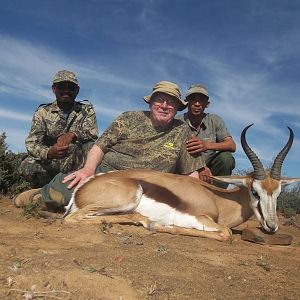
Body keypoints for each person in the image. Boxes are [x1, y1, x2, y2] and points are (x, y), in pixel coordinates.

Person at [14, 81, 206, 210]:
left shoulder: (183, 131)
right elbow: (99, 146)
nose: (165, 105)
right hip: (109, 176)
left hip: (148, 190)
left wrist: (195, 198)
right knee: (61, 197)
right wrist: (88, 170)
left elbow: (191, 175)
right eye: (160, 100)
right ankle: (38, 194)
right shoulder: (128, 118)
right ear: (151, 102)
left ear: (178, 107)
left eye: (171, 102)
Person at [19, 70, 99, 188]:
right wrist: (48, 153)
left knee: (92, 147)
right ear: (53, 89)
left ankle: (85, 188)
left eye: (71, 87)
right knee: (27, 165)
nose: (66, 91)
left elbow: (93, 134)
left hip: (77, 162)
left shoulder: (86, 110)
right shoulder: (42, 112)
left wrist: (73, 134)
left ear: (77, 90)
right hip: (51, 162)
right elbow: (32, 142)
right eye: (61, 86)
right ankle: (43, 190)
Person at [178, 84, 236, 186]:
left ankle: (218, 195)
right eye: (193, 99)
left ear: (207, 104)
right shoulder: (177, 122)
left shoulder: (215, 120)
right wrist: (199, 167)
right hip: (184, 168)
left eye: (201, 100)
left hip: (210, 169)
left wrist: (207, 145)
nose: (197, 104)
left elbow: (231, 145)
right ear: (187, 102)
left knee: (226, 158)